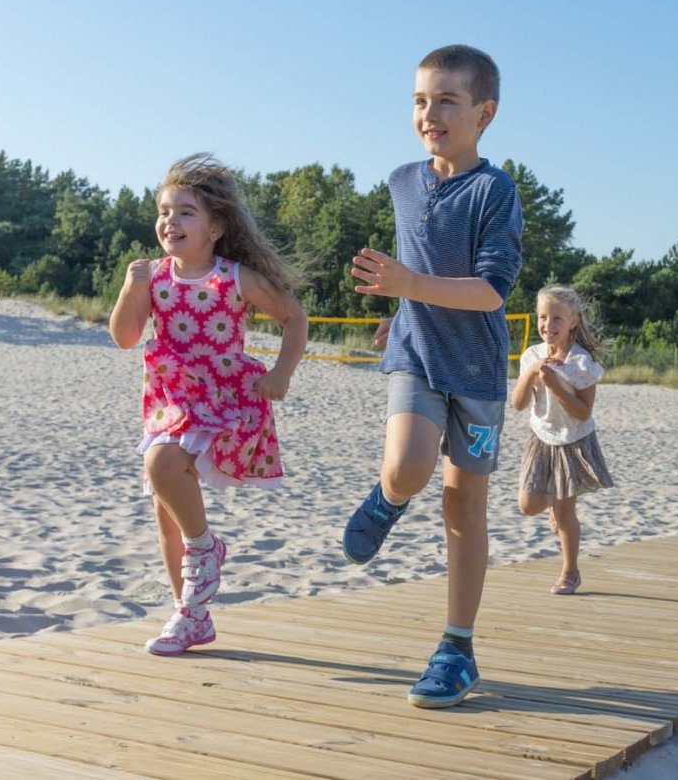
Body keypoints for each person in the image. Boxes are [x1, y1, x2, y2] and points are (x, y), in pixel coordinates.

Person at [340, 44, 522, 708]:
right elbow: (415, 273)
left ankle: (456, 649)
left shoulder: (493, 191)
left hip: (477, 378)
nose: (430, 112)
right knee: (407, 468)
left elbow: (490, 292)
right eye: (420, 100)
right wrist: (402, 306)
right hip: (416, 356)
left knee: (463, 506)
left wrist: (410, 283)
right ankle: (387, 499)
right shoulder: (401, 180)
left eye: (447, 100)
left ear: (484, 113)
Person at [109, 153, 307, 655]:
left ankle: (205, 546)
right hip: (168, 396)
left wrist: (281, 372)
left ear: (216, 227)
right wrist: (131, 288)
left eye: (185, 212)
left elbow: (293, 317)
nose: (169, 221)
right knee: (163, 503)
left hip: (221, 398)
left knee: (162, 463)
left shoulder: (233, 276)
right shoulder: (151, 276)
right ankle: (190, 614)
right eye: (163, 211)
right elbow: (125, 337)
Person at [512, 285, 613, 595]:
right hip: (541, 436)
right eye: (543, 317)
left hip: (573, 440)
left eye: (557, 318)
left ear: (573, 321)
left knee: (566, 512)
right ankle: (552, 508)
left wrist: (554, 384)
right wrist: (532, 375)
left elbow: (583, 413)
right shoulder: (532, 355)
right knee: (528, 506)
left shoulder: (581, 364)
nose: (548, 325)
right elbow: (517, 404)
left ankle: (570, 572)